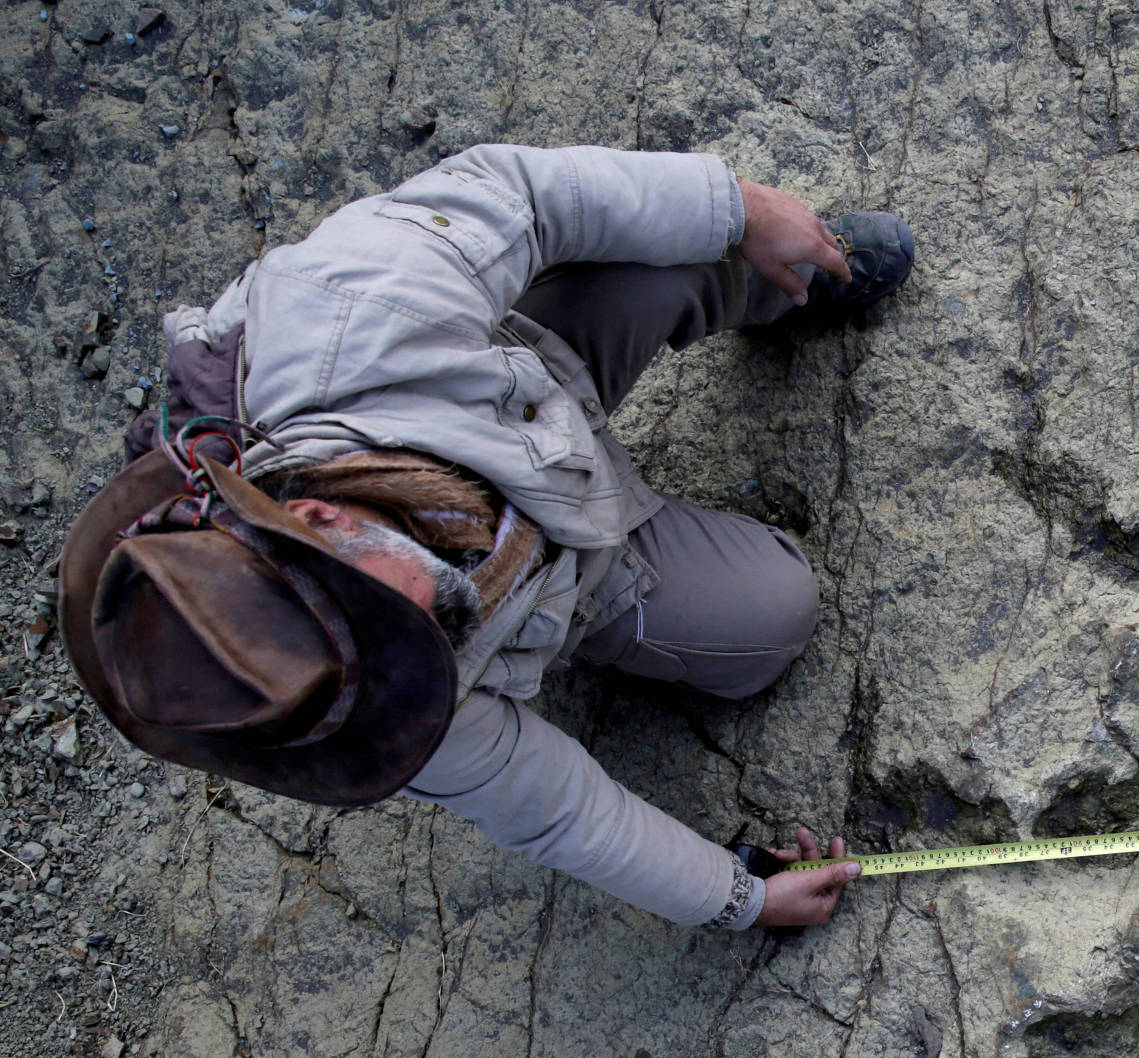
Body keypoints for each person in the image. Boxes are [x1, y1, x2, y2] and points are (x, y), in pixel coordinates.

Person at [55, 145, 913, 929]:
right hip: (571, 572)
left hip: (530, 373)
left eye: (396, 624)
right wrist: (742, 898)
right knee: (769, 619)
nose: (420, 659)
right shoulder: (367, 702)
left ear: (319, 518)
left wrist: (742, 210)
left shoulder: (347, 311)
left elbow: (528, 196)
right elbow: (560, 813)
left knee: (667, 241)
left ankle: (783, 276)